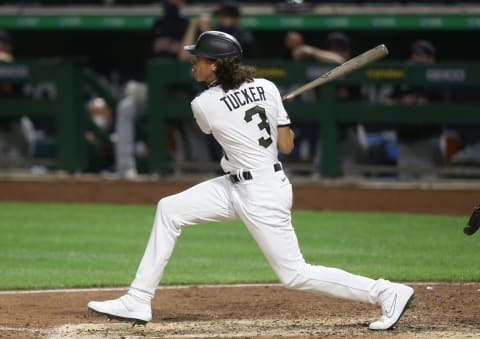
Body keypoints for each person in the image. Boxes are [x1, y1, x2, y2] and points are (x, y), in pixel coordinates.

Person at [88, 31, 415, 331]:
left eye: (198, 58)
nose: (192, 63)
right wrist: (275, 113)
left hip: (262, 192)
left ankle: (386, 292)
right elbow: (286, 145)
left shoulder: (202, 104)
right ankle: (138, 299)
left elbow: (230, 121)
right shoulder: (268, 88)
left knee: (295, 274)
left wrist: (267, 111)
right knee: (169, 209)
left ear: (215, 65)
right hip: (236, 185)